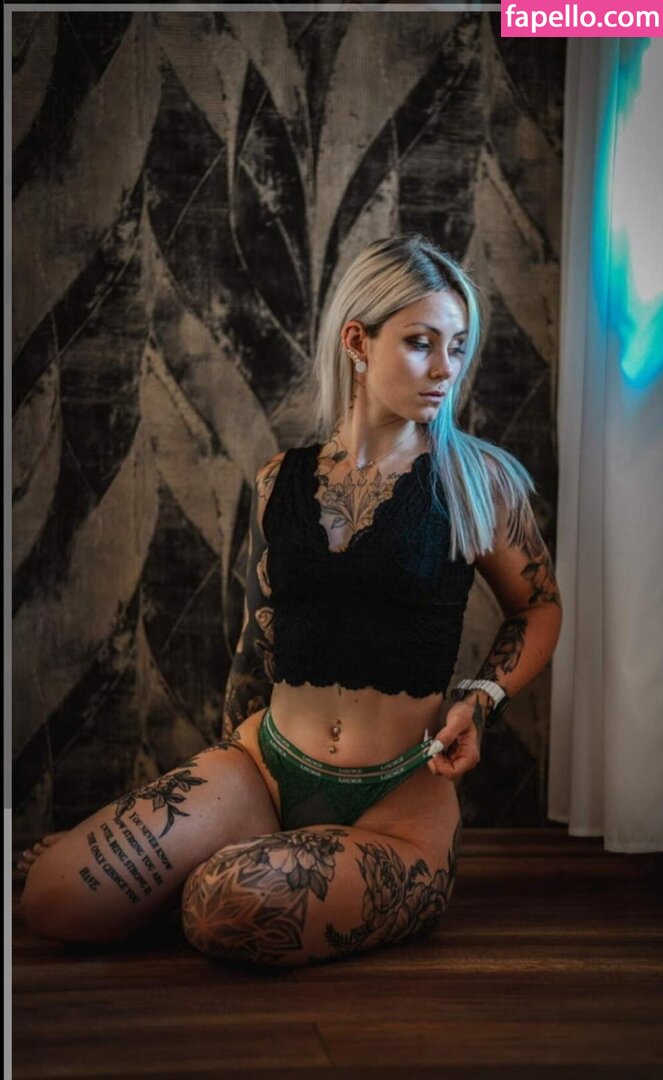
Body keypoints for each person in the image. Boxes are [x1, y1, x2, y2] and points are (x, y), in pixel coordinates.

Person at [19, 234, 562, 968]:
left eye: (457, 347)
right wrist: (214, 784)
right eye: (421, 343)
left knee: (225, 904)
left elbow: (539, 607)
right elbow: (258, 639)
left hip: (396, 805)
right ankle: (221, 860)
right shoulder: (280, 479)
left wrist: (481, 697)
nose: (445, 368)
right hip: (265, 766)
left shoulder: (480, 482)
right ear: (357, 342)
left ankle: (222, 876)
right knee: (51, 896)